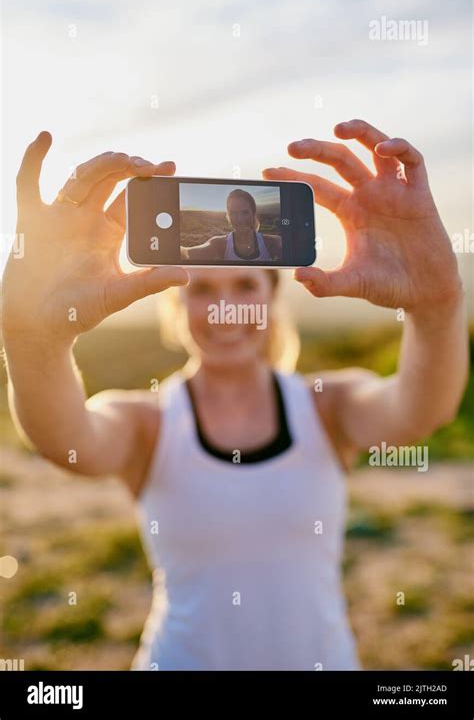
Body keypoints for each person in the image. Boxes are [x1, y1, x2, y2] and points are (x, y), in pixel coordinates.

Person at [3, 120, 467, 670]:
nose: (224, 307)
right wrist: (32, 341)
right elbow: (66, 440)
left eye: (244, 285)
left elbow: (420, 411)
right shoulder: (148, 422)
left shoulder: (325, 405)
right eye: (202, 289)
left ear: (273, 298)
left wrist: (436, 308)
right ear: (176, 305)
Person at [182, 188, 282, 262]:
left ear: (253, 213)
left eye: (245, 212)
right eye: (234, 213)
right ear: (228, 216)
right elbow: (188, 253)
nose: (240, 219)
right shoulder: (220, 244)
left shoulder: (271, 243)